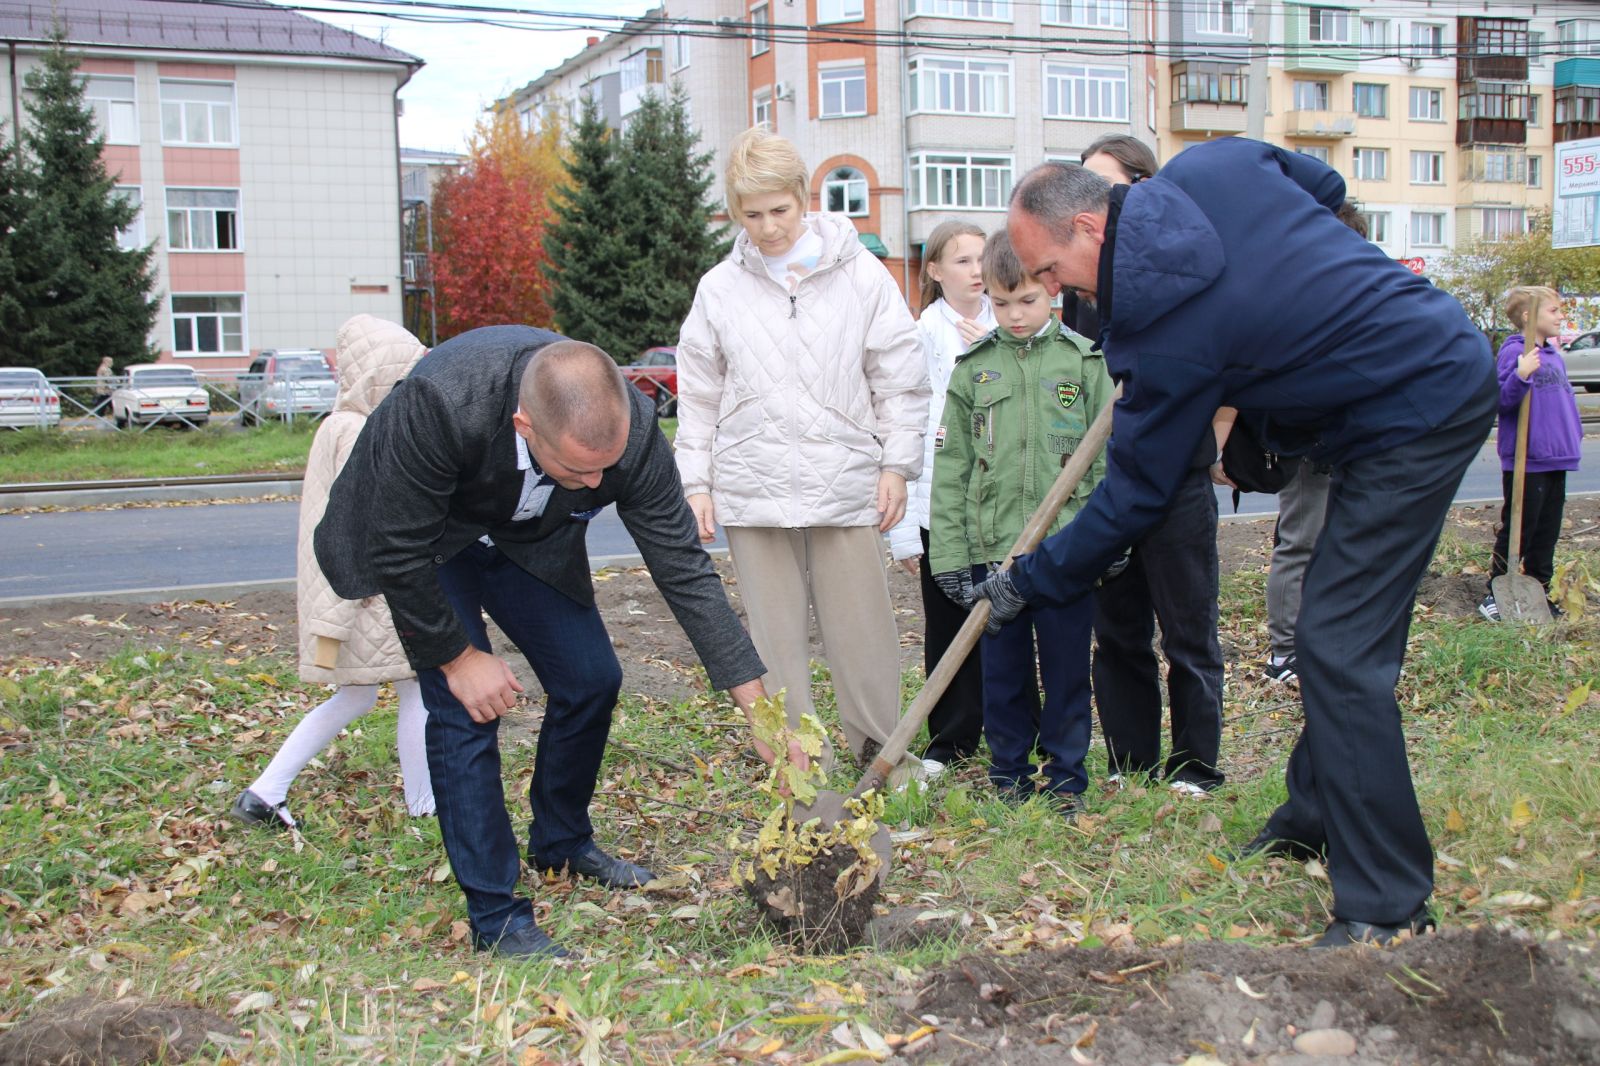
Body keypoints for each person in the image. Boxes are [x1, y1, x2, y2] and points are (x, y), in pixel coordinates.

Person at [989, 139, 1496, 948]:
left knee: (1337, 648)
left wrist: (1033, 579)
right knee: (1343, 636)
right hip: (1378, 405)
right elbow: (1322, 184)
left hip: (1420, 403)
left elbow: (1137, 496)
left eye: (1050, 270)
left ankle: (1388, 904)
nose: (1052, 292)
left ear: (1090, 225)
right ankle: (1314, 813)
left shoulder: (1165, 337)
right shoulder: (1212, 168)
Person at [315, 328, 774, 960]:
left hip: (528, 541)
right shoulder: (441, 403)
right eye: (577, 467)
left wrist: (760, 711)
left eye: (604, 469)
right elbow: (395, 547)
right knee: (463, 708)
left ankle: (561, 841)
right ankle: (496, 914)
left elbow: (682, 565)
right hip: (427, 545)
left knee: (590, 678)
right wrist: (458, 657)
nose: (593, 483)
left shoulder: (630, 429)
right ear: (524, 424)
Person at [675, 127, 929, 772]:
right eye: (751, 214)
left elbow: (899, 374)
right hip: (752, 484)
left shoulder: (859, 274)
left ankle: (882, 761)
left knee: (864, 632)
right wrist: (696, 484)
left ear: (803, 196)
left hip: (845, 478)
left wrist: (897, 465)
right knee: (773, 640)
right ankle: (795, 768)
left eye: (779, 210)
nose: (767, 228)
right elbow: (699, 395)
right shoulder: (719, 289)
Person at [927, 230, 1113, 819]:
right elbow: (952, 468)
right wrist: (951, 558)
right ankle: (1008, 773)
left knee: (1066, 672)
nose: (1014, 315)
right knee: (1001, 675)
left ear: (1052, 291)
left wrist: (1105, 542)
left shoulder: (1085, 365)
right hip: (992, 554)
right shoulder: (974, 371)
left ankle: (1065, 776)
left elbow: (1109, 464)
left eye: (1027, 301)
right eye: (1001, 303)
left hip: (1064, 556)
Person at [232, 315, 435, 830]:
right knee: (395, 690)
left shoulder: (340, 426)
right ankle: (420, 805)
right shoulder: (357, 432)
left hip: (357, 593)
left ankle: (268, 792)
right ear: (377, 381)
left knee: (377, 693)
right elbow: (364, 522)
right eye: (400, 383)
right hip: (368, 593)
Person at [1074, 134, 1226, 797]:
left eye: (1104, 188)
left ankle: (1196, 766)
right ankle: (1130, 762)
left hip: (1177, 478)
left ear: (1142, 188)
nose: (1093, 205)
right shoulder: (1079, 285)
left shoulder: (1179, 273)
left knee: (1189, 632)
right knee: (1118, 632)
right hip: (1113, 481)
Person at [1218, 201, 1370, 684]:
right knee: (1301, 540)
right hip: (1306, 443)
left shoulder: (1350, 297)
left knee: (1339, 541)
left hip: (1347, 439)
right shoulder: (1297, 297)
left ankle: (1323, 640)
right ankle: (1284, 652)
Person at [887, 220, 993, 777]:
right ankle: (951, 741)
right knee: (947, 624)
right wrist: (902, 528)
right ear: (934, 271)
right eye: (962, 261)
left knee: (1005, 621)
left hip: (1002, 510)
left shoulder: (1014, 323)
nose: (976, 271)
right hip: (940, 510)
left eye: (982, 259)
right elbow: (906, 429)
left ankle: (1012, 731)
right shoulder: (921, 335)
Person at [1480, 285, 1583, 622]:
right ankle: (1495, 592)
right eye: (1554, 311)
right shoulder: (1515, 353)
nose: (1561, 317)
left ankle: (1539, 588)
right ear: (1529, 315)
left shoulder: (1553, 356)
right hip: (1529, 459)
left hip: (1556, 458)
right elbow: (1503, 402)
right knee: (1520, 528)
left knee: (1547, 531)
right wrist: (1521, 375)